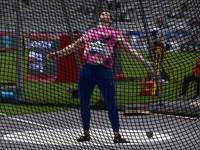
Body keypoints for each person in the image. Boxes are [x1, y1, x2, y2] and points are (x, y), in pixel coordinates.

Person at [47, 12, 154, 143]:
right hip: (87, 70)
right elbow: (73, 47)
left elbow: (130, 50)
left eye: (107, 14)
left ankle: (117, 135)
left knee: (111, 103)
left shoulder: (114, 34)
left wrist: (145, 63)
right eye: (102, 13)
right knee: (84, 102)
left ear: (110, 21)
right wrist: (57, 54)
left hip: (104, 71)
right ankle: (86, 133)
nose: (103, 14)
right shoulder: (90, 33)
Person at [151, 17, 169, 83]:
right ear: (158, 22)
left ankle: (158, 78)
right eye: (161, 21)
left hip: (161, 48)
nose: (163, 23)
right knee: (156, 64)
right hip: (157, 48)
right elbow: (152, 39)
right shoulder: (155, 30)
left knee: (159, 64)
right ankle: (155, 78)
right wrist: (154, 47)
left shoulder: (161, 29)